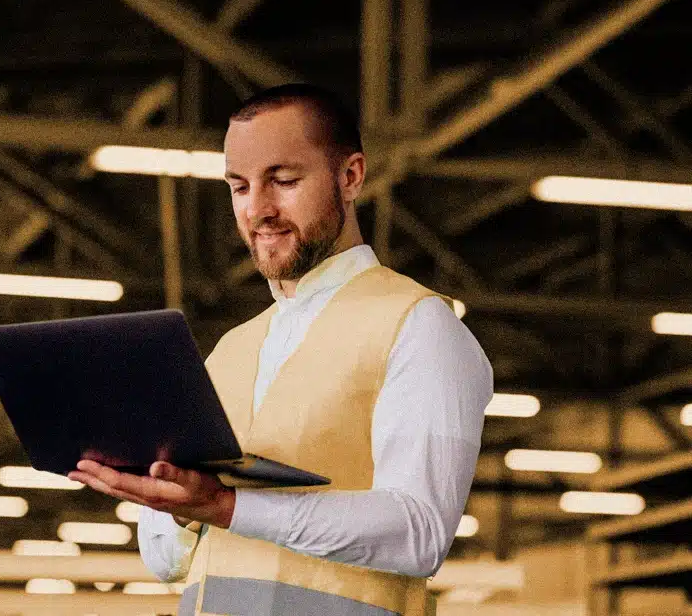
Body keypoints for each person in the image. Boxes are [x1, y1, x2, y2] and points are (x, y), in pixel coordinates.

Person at [68, 83, 492, 616]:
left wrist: (227, 506)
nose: (258, 209)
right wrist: (170, 503)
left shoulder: (420, 327)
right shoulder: (229, 351)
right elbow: (168, 564)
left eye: (284, 181)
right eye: (239, 187)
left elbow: (420, 533)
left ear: (351, 176)